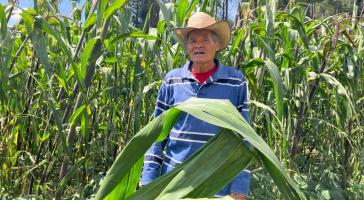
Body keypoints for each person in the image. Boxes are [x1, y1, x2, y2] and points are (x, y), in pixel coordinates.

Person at [140, 12, 250, 200]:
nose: (198, 45)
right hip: (174, 186)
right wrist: (148, 184)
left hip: (218, 186)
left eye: (205, 40)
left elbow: (245, 137)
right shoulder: (172, 81)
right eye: (192, 41)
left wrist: (239, 187)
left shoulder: (235, 82)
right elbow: (156, 137)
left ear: (217, 45)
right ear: (187, 46)